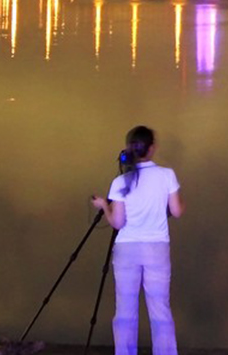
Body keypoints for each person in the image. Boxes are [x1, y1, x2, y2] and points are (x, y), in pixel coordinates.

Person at [90, 125, 183, 355]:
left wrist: (104, 206)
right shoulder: (166, 175)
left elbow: (118, 223)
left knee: (125, 310)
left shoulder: (121, 181)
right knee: (160, 309)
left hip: (126, 251)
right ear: (151, 149)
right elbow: (177, 211)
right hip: (156, 248)